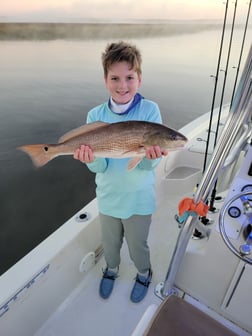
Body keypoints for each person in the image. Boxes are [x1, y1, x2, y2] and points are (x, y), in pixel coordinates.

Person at [74, 41, 168, 303]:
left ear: (139, 78)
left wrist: (150, 157)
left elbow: (149, 164)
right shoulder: (95, 115)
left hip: (139, 199)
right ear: (105, 80)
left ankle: (143, 272)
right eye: (115, 78)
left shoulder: (150, 111)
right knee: (111, 245)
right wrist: (89, 159)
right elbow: (100, 166)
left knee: (138, 246)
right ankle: (111, 269)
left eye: (129, 77)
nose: (122, 85)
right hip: (108, 197)